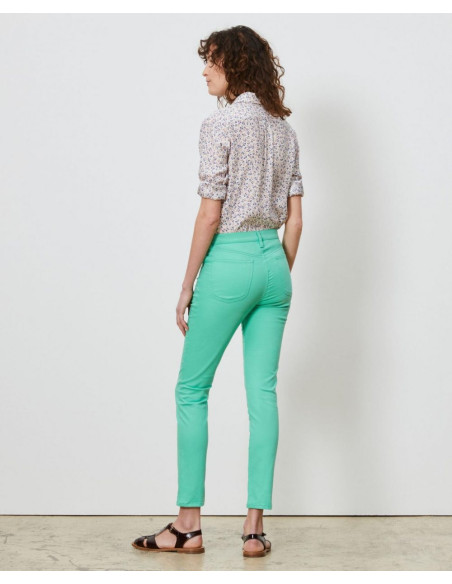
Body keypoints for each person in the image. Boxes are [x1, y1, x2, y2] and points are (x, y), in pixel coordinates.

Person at [132, 25, 304, 558]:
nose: (204, 70)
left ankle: (188, 526)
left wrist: (188, 284)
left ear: (236, 65)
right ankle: (253, 531)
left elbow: (210, 214)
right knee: (263, 394)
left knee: (191, 390)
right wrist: (273, 272)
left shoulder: (221, 123)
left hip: (228, 261)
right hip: (275, 262)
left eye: (212, 61)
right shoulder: (283, 129)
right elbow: (296, 220)